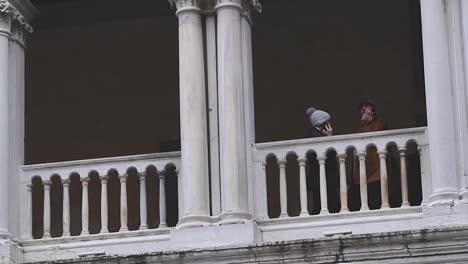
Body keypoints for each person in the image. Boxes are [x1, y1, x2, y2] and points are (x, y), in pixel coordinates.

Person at [351, 100, 387, 210]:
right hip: (364, 168)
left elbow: (369, 136)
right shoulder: (362, 125)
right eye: (362, 109)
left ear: (372, 111)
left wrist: (365, 122)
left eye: (366, 108)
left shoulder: (379, 123)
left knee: (375, 198)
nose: (364, 111)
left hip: (376, 169)